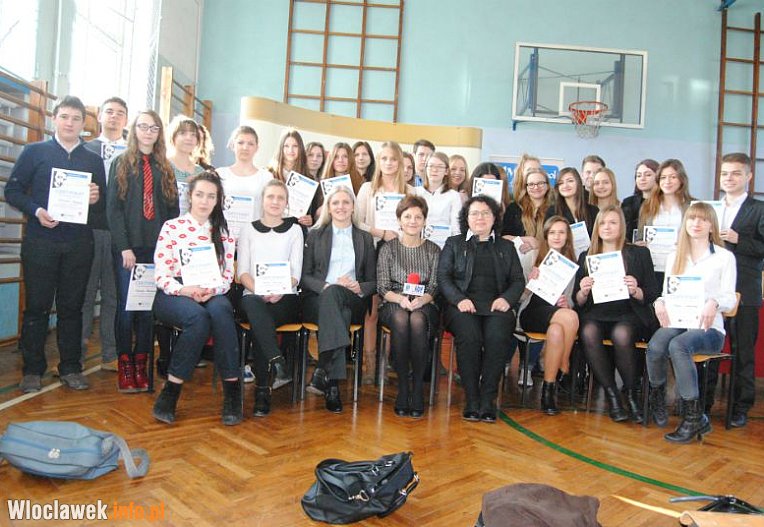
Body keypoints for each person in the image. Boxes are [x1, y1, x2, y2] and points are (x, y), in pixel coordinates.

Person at [5, 95, 106, 393]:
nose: (70, 123)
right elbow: (12, 191)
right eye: (64, 117)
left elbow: (101, 209)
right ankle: (32, 370)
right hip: (40, 242)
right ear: (54, 119)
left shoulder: (93, 160)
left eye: (76, 119)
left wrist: (95, 199)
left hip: (78, 244)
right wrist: (37, 210)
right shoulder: (34, 152)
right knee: (37, 307)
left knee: (72, 308)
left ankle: (71, 368)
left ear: (83, 123)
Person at [152, 171, 241, 425]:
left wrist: (212, 290)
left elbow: (227, 276)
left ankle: (232, 392)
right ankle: (171, 391)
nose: (204, 201)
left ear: (217, 200)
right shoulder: (172, 227)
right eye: (200, 194)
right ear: (190, 196)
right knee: (198, 318)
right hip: (175, 292)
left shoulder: (224, 232)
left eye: (211, 196)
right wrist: (186, 290)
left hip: (211, 290)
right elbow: (161, 275)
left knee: (221, 311)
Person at [646, 202, 737, 442]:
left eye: (703, 219)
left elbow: (729, 297)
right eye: (692, 218)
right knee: (656, 345)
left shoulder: (724, 257)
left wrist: (714, 302)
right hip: (679, 320)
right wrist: (659, 302)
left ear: (711, 226)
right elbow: (667, 293)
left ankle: (693, 417)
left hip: (709, 329)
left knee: (679, 345)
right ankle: (658, 397)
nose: (696, 223)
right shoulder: (675, 256)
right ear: (685, 223)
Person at [107, 110, 179, 393]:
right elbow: (113, 209)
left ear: (160, 133)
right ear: (134, 130)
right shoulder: (121, 163)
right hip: (129, 249)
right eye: (143, 126)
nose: (148, 132)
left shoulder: (165, 167)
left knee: (148, 310)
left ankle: (141, 362)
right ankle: (125, 364)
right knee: (127, 308)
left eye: (154, 128)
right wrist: (124, 247)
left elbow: (172, 212)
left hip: (156, 251)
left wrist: (168, 250)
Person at [438, 195, 525, 422]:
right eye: (474, 213)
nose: (480, 218)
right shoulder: (454, 243)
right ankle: (472, 398)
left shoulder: (506, 247)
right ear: (466, 218)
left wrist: (507, 299)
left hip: (497, 307)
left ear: (494, 218)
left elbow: (518, 280)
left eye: (486, 213)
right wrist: (458, 299)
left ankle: (488, 399)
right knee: (470, 337)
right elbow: (443, 278)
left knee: (497, 337)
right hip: (462, 307)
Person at [573, 205, 659, 423]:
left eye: (613, 222)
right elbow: (578, 300)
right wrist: (583, 291)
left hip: (629, 313)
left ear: (622, 226)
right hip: (596, 313)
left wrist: (636, 290)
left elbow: (652, 292)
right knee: (588, 331)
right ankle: (612, 394)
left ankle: (630, 394)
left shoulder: (639, 253)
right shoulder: (586, 256)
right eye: (602, 223)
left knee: (621, 334)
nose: (607, 227)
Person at [702, 153, 764, 428]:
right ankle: (702, 403)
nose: (729, 178)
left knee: (742, 352)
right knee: (708, 346)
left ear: (748, 176)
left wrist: (741, 240)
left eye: (736, 173)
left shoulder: (758, 209)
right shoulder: (710, 208)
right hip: (711, 291)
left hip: (744, 290)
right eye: (725, 173)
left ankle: (740, 407)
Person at [302, 186, 377, 413]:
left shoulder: (365, 238)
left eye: (346, 202)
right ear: (328, 207)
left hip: (353, 298)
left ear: (353, 207)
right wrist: (326, 286)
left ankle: (323, 370)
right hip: (319, 298)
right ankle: (330, 383)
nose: (341, 207)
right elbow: (305, 276)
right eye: (335, 203)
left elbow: (374, 281)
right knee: (337, 307)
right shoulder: (315, 235)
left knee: (339, 303)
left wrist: (359, 286)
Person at [237, 180, 303, 416]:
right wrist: (260, 290)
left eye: (280, 198)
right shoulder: (247, 230)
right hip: (254, 294)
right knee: (256, 307)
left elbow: (296, 273)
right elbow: (242, 271)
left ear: (286, 203)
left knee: (260, 321)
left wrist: (278, 290)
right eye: (270, 197)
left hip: (285, 297)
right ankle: (275, 365)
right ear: (262, 200)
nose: (275, 202)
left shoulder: (295, 231)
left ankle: (263, 390)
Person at [355, 141, 414, 381]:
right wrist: (381, 232)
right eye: (384, 159)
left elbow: (418, 223)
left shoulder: (411, 192)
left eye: (393, 159)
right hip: (373, 252)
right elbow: (357, 222)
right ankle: (369, 366)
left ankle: (386, 363)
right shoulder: (367, 189)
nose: (389, 163)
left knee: (395, 308)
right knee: (372, 312)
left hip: (401, 257)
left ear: (400, 162)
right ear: (378, 161)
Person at [377, 195, 440, 418]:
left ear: (424, 221)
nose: (413, 221)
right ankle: (403, 387)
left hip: (424, 302)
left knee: (418, 319)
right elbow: (382, 286)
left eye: (418, 217)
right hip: (394, 301)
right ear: (399, 220)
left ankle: (418, 388)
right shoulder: (388, 249)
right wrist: (400, 300)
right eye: (407, 216)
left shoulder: (433, 250)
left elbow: (435, 285)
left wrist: (423, 299)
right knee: (402, 318)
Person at [81, 96, 128, 371]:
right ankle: (76, 353)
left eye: (120, 113)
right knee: (85, 294)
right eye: (109, 111)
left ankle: (110, 354)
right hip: (88, 231)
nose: (114, 116)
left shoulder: (133, 153)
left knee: (113, 295)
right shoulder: (85, 149)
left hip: (118, 234)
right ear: (99, 116)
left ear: (126, 120)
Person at [518, 217, 579, 415]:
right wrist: (529, 284)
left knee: (556, 331)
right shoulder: (532, 256)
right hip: (532, 312)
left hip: (556, 314)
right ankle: (564, 363)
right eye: (552, 232)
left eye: (561, 232)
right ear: (546, 236)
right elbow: (518, 297)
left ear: (567, 236)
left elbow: (572, 301)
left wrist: (566, 303)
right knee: (570, 318)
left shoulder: (571, 263)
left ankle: (548, 391)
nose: (557, 237)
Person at [216, 126, 273, 224]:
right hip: (224, 231)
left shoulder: (266, 177)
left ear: (257, 148)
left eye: (250, 144)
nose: (245, 147)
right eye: (240, 143)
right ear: (233, 145)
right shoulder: (220, 174)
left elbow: (270, 210)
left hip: (255, 231)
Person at [502, 167, 552, 254]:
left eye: (540, 183)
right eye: (531, 184)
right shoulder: (514, 208)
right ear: (526, 187)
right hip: (517, 259)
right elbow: (502, 237)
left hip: (546, 258)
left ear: (547, 186)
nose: (536, 187)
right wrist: (524, 240)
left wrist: (538, 245)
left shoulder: (555, 210)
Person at [416, 151, 462, 235]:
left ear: (446, 171)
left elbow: (456, 228)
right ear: (426, 169)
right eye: (431, 166)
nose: (434, 170)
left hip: (443, 241)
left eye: (440, 167)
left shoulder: (454, 196)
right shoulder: (415, 192)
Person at [546, 167, 599, 238]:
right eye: (561, 183)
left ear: (578, 183)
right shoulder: (552, 212)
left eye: (570, 181)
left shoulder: (593, 211)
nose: (565, 185)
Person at [622, 159, 659, 242]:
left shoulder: (665, 203)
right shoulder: (628, 203)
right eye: (639, 176)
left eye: (648, 175)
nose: (642, 178)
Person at [167, 115, 204, 184]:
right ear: (173, 137)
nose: (189, 138)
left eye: (193, 134)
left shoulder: (200, 171)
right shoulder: (164, 166)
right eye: (183, 133)